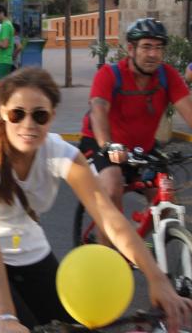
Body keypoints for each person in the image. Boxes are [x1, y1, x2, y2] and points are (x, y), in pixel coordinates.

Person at [0, 67, 192, 333]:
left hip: (28, 249)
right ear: (4, 112)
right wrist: (5, 315)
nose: (28, 125)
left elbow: (109, 218)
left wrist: (158, 279)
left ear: (51, 117)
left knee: (71, 327)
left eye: (39, 116)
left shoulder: (59, 152)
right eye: (18, 114)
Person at [79, 17, 192, 245]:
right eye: (147, 47)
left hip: (143, 149)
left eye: (159, 48)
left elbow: (187, 106)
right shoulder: (110, 74)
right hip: (102, 145)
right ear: (131, 49)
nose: (153, 54)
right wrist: (107, 146)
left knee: (165, 200)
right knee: (112, 187)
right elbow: (99, 109)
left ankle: (134, 242)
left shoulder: (166, 76)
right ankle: (106, 257)